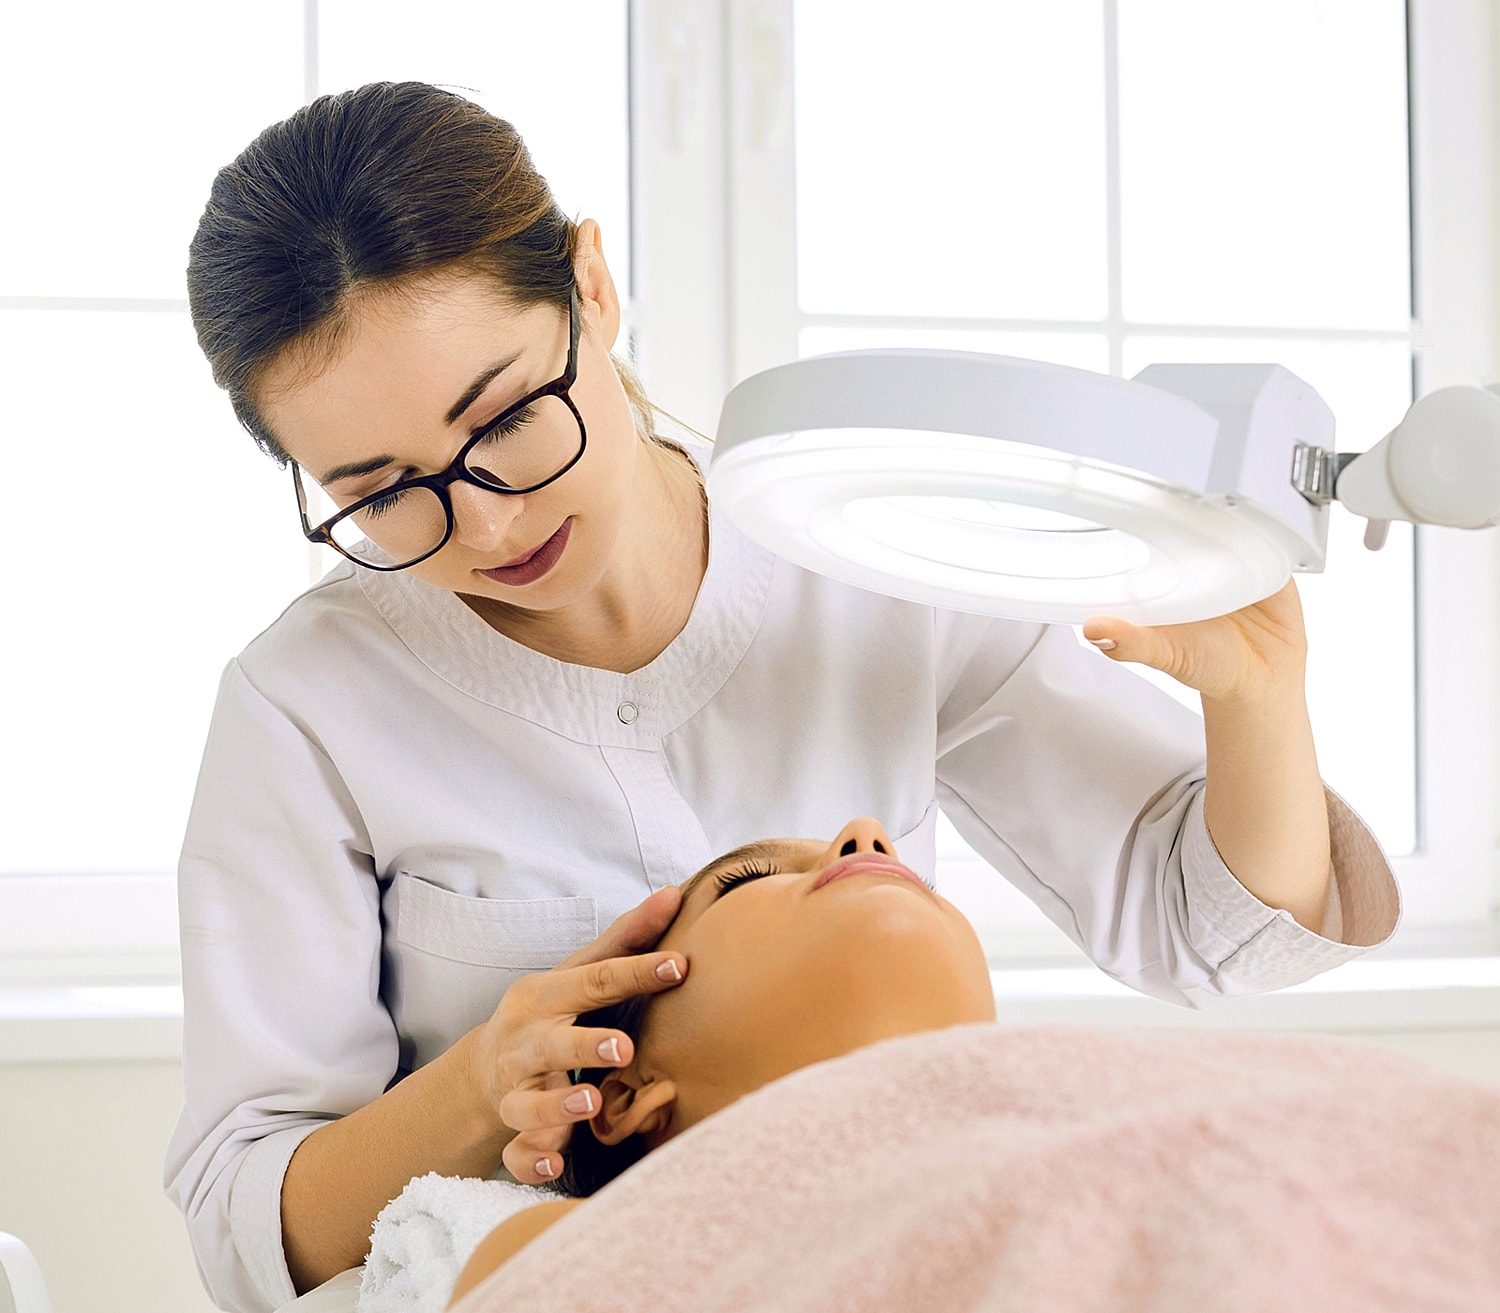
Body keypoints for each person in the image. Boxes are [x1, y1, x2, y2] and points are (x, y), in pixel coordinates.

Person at [163, 80, 1400, 1313]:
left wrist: (1257, 697)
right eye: (381, 492)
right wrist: (481, 1078)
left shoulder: (857, 550)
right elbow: (249, 1232)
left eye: (507, 418)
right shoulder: (305, 706)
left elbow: (1210, 925)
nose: (486, 520)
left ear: (591, 286)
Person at [449, 815, 995, 1303]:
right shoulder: (564, 1254)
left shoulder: (1076, 1154)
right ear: (629, 1096)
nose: (866, 836)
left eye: (922, 885)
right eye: (751, 877)